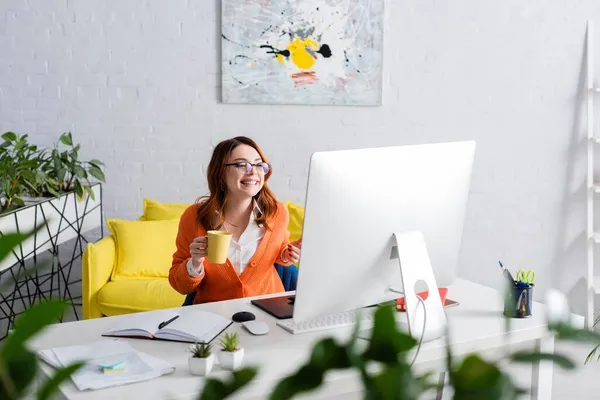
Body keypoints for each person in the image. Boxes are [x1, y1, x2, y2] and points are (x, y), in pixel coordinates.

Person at [169, 136, 302, 305]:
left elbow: (279, 253)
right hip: (214, 315)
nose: (253, 171)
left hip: (268, 310)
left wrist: (288, 254)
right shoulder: (194, 217)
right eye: (241, 164)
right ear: (220, 172)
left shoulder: (276, 211)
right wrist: (195, 262)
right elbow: (179, 284)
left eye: (258, 164)